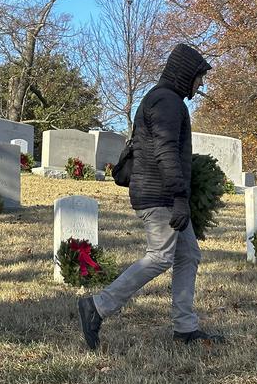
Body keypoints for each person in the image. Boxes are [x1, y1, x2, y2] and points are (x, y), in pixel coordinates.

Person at [78, 43, 222, 349]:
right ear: (185, 74)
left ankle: (185, 329)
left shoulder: (164, 99)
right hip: (160, 196)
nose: (201, 83)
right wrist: (180, 197)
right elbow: (166, 150)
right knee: (161, 256)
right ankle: (98, 306)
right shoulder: (167, 101)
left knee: (189, 255)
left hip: (161, 192)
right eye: (199, 77)